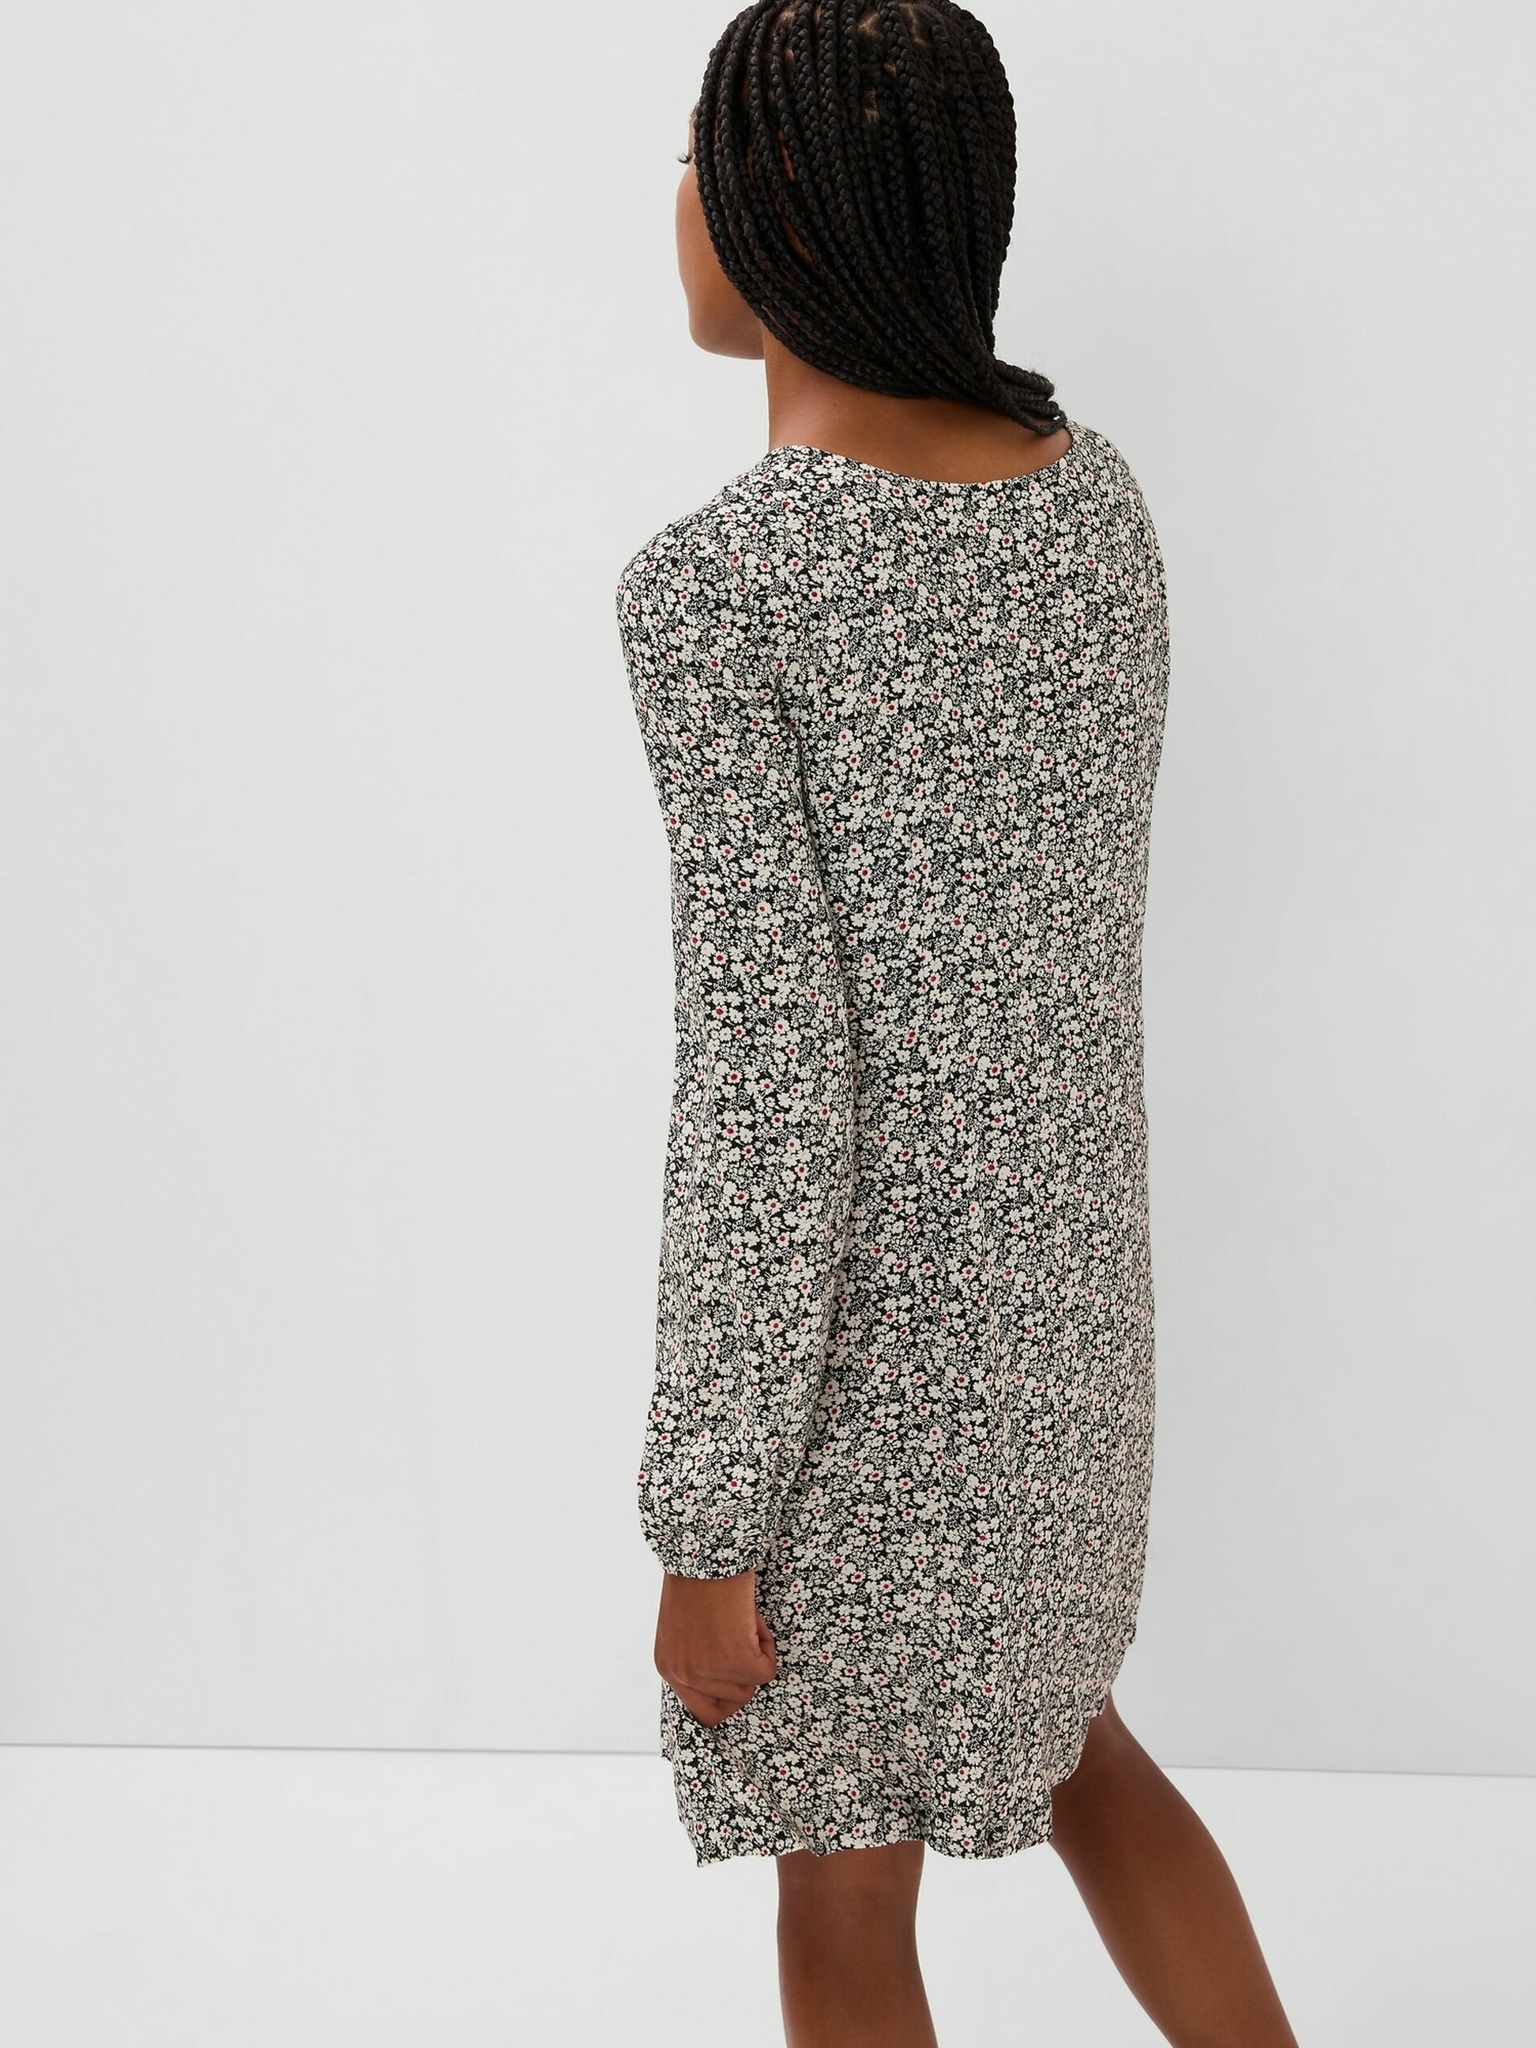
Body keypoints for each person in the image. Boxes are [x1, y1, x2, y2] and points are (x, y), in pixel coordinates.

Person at [614, 6, 1301, 2044]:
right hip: (1070, 1338)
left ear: (781, 201)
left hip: (855, 1386)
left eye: (696, 154)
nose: (670, 200)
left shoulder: (722, 591)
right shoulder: (1099, 512)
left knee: (841, 1894)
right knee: (1084, 1744)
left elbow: (769, 1080)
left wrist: (708, 1520)